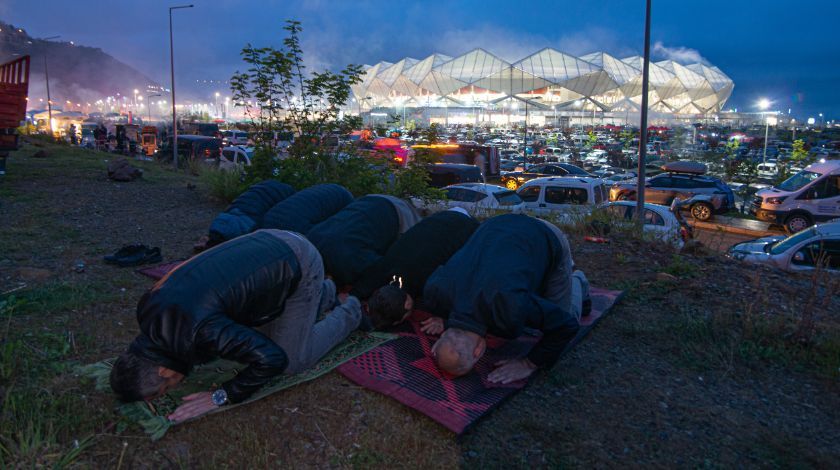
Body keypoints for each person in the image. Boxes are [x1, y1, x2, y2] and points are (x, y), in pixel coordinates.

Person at [109, 229, 362, 422]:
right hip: (265, 242)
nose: (174, 387)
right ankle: (323, 293)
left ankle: (352, 309)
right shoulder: (147, 311)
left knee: (293, 359)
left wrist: (222, 395)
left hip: (298, 259)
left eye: (166, 388)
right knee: (270, 334)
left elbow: (272, 359)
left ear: (164, 371)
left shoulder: (201, 331)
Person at [422, 214, 590, 384]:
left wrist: (528, 363)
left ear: (478, 351)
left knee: (563, 317)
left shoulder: (510, 307)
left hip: (545, 234)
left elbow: (566, 326)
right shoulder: (435, 293)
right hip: (497, 223)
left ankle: (577, 280)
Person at [352, 207, 479, 329]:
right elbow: (363, 286)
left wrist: (446, 322)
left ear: (407, 304)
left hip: (468, 227)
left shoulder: (434, 284)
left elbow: (464, 295)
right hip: (440, 217)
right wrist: (354, 296)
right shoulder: (385, 267)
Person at [307, 194, 420, 287]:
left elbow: (383, 270)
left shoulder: (348, 260)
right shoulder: (309, 241)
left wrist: (355, 294)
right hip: (367, 201)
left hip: (400, 214)